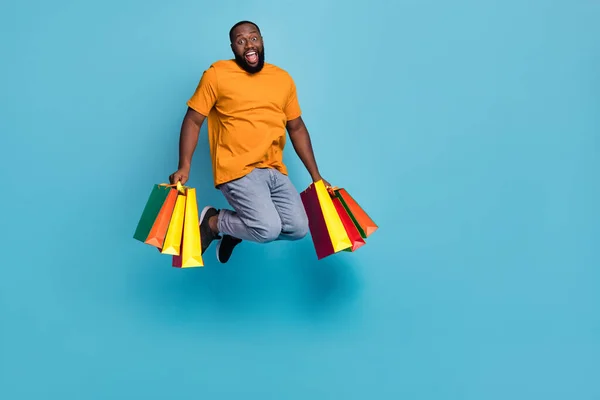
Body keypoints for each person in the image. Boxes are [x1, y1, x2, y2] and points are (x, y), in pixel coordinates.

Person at [168, 20, 330, 264]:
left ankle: (232, 229)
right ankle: (213, 222)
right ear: (233, 47)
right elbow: (193, 120)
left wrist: (316, 177)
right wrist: (185, 165)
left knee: (298, 229)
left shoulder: (282, 79)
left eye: (253, 38)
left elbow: (296, 128)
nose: (248, 45)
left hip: (273, 169)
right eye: (241, 41)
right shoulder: (217, 74)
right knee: (267, 229)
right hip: (237, 169)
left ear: (262, 41)